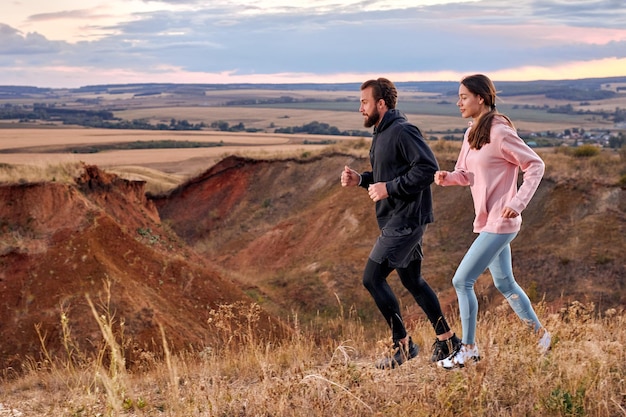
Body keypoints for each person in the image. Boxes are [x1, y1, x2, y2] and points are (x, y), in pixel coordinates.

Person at [341, 77, 460, 369]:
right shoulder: (382, 132)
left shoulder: (403, 130)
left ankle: (403, 345)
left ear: (381, 104)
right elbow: (387, 174)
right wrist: (362, 180)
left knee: (372, 278)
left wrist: (389, 189)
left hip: (407, 219)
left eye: (364, 102)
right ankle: (448, 339)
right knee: (412, 280)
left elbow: (427, 169)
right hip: (397, 218)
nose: (361, 108)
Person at [434, 74, 551, 370]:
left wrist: (517, 202)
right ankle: (542, 338)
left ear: (481, 98)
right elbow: (465, 173)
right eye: (458, 97)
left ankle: (469, 350)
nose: (458, 102)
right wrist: (448, 178)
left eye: (463, 97)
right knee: (505, 283)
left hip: (502, 222)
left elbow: (535, 165)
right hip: (489, 222)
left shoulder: (500, 131)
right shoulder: (472, 132)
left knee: (462, 281)